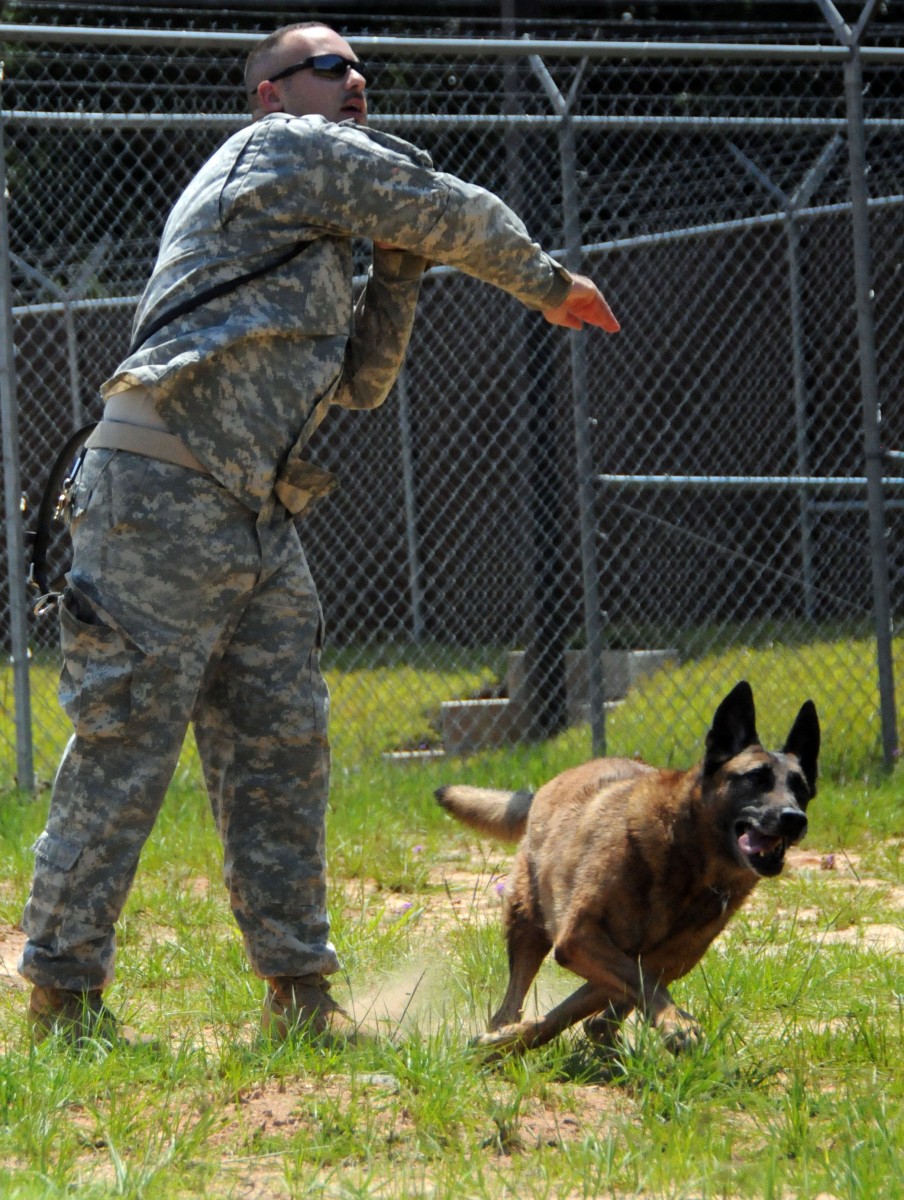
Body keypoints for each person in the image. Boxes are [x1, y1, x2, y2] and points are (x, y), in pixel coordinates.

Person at [19, 20, 619, 1047]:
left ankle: (298, 996)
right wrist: (547, 283)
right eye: (331, 69)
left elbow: (362, 383)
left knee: (282, 753)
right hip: (159, 490)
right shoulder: (278, 155)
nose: (356, 86)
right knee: (125, 748)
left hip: (259, 514)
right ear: (269, 95)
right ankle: (62, 1001)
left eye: (361, 72)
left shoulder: (320, 224)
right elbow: (446, 205)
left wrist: (396, 269)